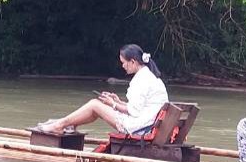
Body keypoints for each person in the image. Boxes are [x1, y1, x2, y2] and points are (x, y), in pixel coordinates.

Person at [33, 45, 168, 137]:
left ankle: (60, 125)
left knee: (94, 104)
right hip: (147, 124)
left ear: (133, 61)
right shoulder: (149, 77)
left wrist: (113, 104)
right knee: (95, 108)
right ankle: (69, 125)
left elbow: (135, 112)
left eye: (123, 62)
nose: (122, 66)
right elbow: (139, 107)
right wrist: (118, 101)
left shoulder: (141, 80)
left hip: (139, 128)